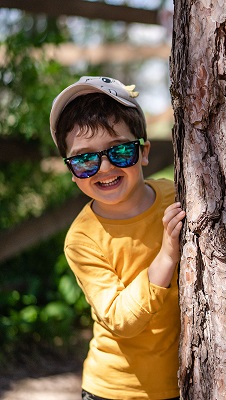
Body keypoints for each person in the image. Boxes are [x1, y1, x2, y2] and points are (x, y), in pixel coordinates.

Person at [49, 76, 185, 400]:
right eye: (85, 159)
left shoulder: (176, 195)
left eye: (120, 151)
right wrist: (166, 256)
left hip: (181, 381)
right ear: (72, 171)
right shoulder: (82, 239)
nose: (105, 167)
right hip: (114, 390)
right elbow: (120, 319)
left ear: (144, 152)